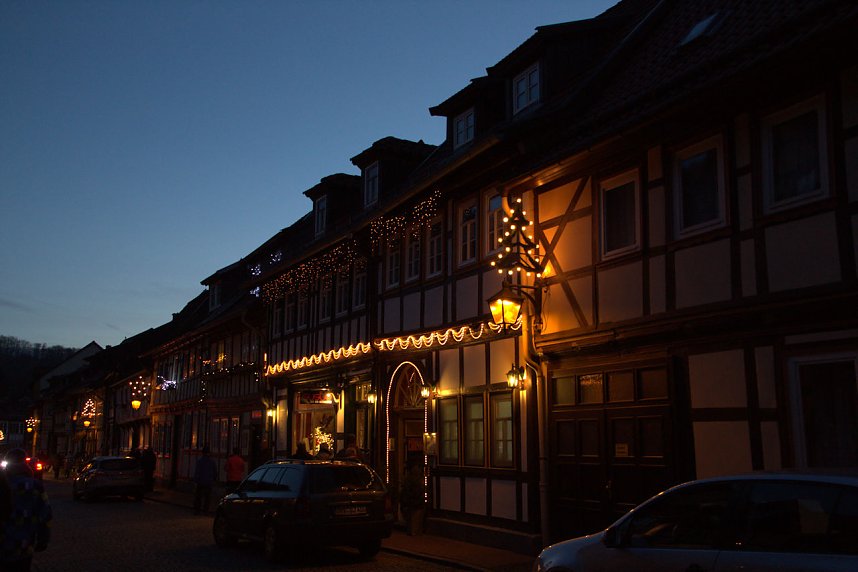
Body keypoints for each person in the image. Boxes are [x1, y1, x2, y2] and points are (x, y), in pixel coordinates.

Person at [0, 449, 52, 572]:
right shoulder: (34, 486)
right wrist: (43, 539)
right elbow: (45, 514)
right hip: (22, 544)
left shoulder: (3, 482)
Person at [193, 446, 217, 515]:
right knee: (207, 497)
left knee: (199, 497)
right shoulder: (212, 462)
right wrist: (214, 479)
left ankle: (197, 510)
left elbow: (197, 471)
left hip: (200, 481)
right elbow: (215, 472)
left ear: (202, 453)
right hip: (209, 481)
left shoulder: (200, 461)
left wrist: (195, 480)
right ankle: (205, 510)